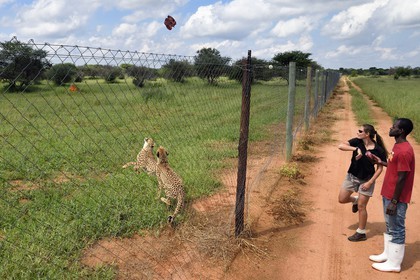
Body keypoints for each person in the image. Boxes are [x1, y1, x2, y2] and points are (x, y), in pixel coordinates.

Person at [369, 118, 415, 272]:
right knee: (390, 225)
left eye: (394, 127)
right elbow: (394, 164)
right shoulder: (398, 146)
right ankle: (387, 254)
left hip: (396, 197)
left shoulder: (404, 151)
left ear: (401, 131)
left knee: (397, 228)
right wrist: (381, 162)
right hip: (388, 192)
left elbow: (402, 177)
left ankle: (394, 264)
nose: (391, 128)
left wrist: (394, 202)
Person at [338, 124, 387, 242]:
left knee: (362, 206)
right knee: (342, 199)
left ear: (367, 134)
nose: (357, 133)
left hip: (366, 180)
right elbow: (340, 145)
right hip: (352, 177)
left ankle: (361, 232)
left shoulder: (378, 150)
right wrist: (356, 149)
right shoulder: (357, 142)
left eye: (360, 131)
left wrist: (370, 183)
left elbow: (380, 168)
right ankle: (354, 200)